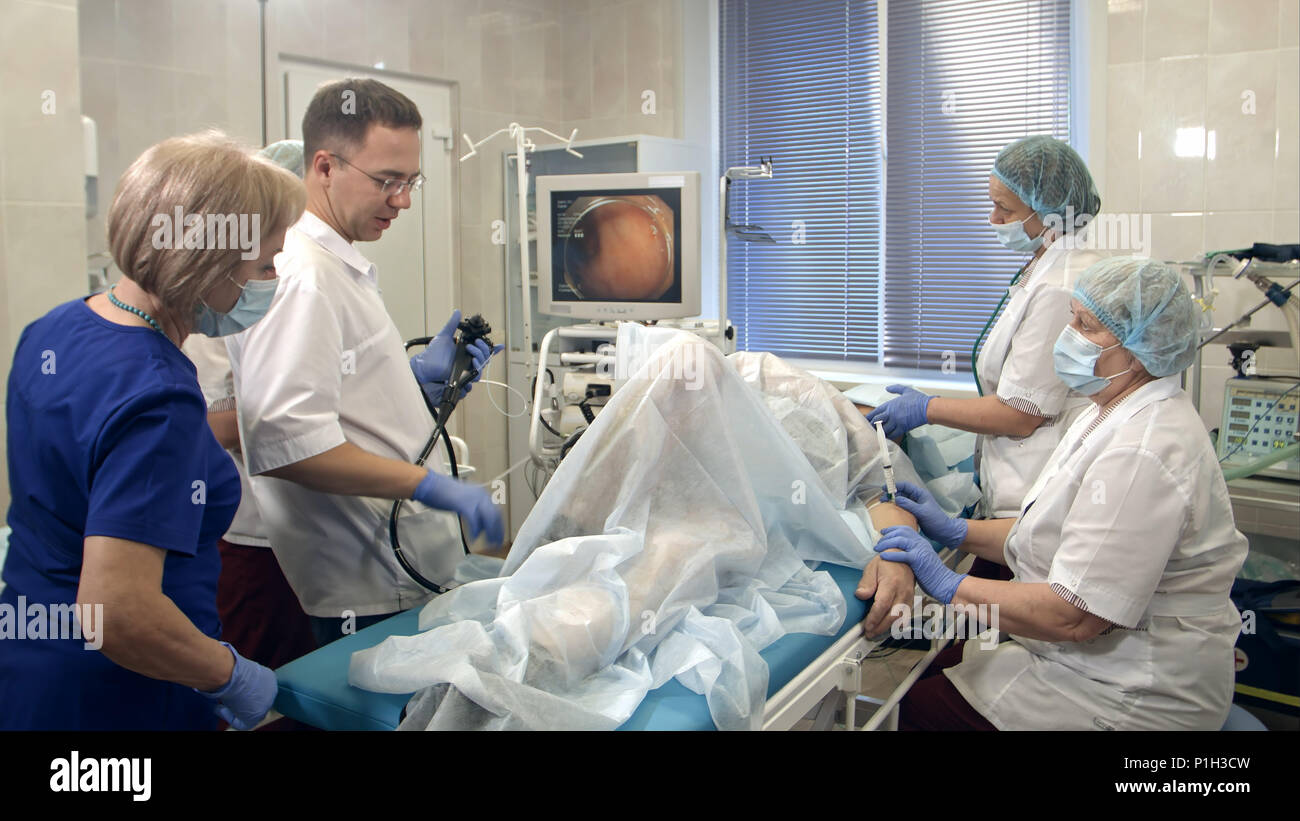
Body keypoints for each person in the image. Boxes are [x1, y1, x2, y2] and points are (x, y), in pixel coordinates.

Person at [0, 132, 305, 729]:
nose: (273, 278)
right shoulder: (157, 394)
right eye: (266, 262)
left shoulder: (54, 330)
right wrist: (231, 675)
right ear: (208, 260)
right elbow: (118, 613)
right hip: (120, 698)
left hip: (34, 671)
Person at [874, 257, 1248, 730]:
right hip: (1092, 661)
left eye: (1085, 325)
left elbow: (1075, 618)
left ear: (1136, 350)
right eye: (1071, 316)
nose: (1065, 334)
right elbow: (1056, 530)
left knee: (923, 710)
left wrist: (947, 584)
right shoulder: (1108, 412)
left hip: (1132, 689)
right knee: (934, 678)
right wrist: (958, 530)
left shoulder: (1142, 451)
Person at [226, 79, 503, 648]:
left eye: (411, 181)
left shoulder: (333, 265)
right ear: (324, 166)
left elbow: (334, 404)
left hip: (394, 570)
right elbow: (286, 441)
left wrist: (413, 389)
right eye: (387, 181)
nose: (402, 200)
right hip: (368, 582)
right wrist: (433, 487)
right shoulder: (303, 274)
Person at [869, 136, 1113, 522]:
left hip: (1035, 489)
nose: (993, 219)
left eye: (1004, 208)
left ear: (1049, 213)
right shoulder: (1047, 266)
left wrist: (928, 408)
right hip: (1023, 482)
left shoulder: (1061, 285)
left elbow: (1022, 412)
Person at [182, 140, 316, 676]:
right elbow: (206, 427)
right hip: (249, 532)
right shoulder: (214, 317)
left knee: (305, 677)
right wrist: (291, 412)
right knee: (259, 675)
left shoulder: (300, 288)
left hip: (305, 528)